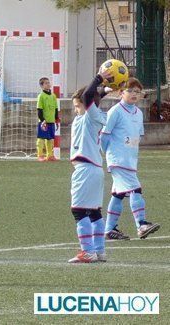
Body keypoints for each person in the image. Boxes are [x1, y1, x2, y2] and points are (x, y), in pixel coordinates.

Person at [101, 77, 161, 240]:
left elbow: (137, 137)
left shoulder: (138, 113)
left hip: (129, 160)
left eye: (137, 91)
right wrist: (109, 155)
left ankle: (109, 229)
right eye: (130, 90)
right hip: (118, 160)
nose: (134, 94)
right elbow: (104, 136)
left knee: (118, 194)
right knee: (136, 189)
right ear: (121, 93)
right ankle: (141, 224)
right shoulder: (115, 111)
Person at [67, 71, 111, 263]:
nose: (76, 109)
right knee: (94, 212)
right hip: (94, 169)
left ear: (86, 105)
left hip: (84, 169)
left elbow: (87, 97)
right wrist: (105, 90)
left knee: (78, 211)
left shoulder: (89, 116)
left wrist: (98, 78)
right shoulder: (94, 115)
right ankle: (99, 251)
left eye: (77, 106)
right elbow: (91, 97)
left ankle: (88, 251)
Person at [36, 77, 59, 161]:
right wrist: (42, 120)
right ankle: (40, 155)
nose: (48, 84)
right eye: (46, 83)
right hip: (43, 122)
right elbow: (39, 109)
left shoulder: (53, 96)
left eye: (49, 82)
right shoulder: (41, 96)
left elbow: (56, 108)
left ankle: (50, 155)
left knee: (50, 139)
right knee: (41, 138)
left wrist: (56, 118)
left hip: (51, 121)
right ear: (42, 86)